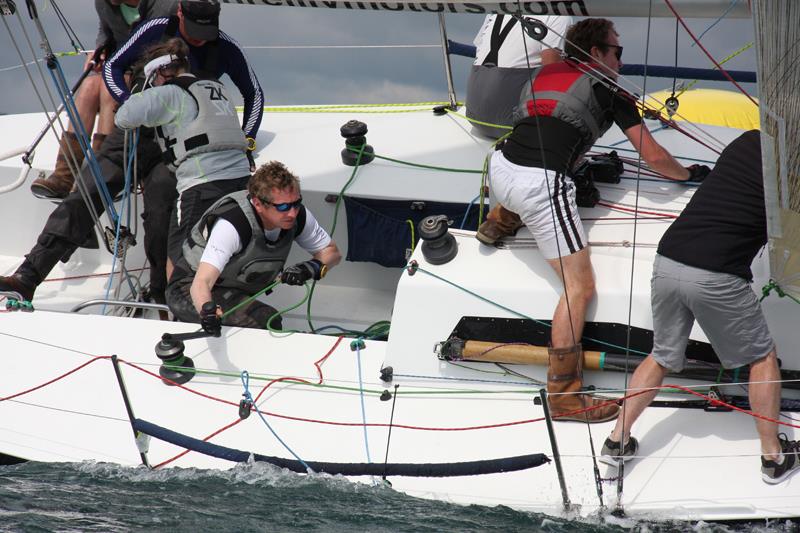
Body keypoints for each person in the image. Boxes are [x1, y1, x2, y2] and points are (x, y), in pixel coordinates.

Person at [487, 18, 709, 422]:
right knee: (579, 287)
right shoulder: (609, 92)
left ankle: (501, 216)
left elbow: (554, 52)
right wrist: (690, 175)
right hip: (540, 186)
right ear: (596, 55)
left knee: (562, 167)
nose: (622, 61)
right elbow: (656, 157)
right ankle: (565, 397)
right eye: (617, 51)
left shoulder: (548, 69)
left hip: (500, 168)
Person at [0, 0, 262, 307]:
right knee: (87, 193)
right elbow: (113, 66)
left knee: (161, 212)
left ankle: (163, 296)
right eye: (193, 32)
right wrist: (129, 101)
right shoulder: (155, 28)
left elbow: (254, 93)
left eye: (206, 33)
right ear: (179, 13)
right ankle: (28, 277)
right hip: (135, 134)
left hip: (179, 148)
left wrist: (248, 141)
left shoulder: (225, 46)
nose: (200, 40)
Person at [600, 130, 800, 484]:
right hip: (715, 275)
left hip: (668, 258)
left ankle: (617, 441)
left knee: (661, 355)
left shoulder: (746, 140)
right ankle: (774, 458)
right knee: (762, 357)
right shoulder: (792, 170)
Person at [114, 38, 252, 270]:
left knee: (180, 259)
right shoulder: (216, 87)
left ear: (160, 73)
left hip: (202, 185)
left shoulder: (170, 93)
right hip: (241, 181)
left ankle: (180, 302)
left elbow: (124, 118)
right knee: (225, 251)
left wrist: (140, 91)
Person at [166, 161, 342, 333]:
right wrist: (207, 312)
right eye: (282, 206)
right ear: (258, 204)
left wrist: (309, 268)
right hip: (188, 290)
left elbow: (332, 253)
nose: (292, 212)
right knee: (268, 319)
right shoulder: (232, 226)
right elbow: (201, 283)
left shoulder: (298, 215)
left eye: (296, 203)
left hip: (232, 289)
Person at [30, 0, 178, 199]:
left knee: (107, 88)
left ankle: (103, 175)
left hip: (147, 70)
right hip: (118, 64)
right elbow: (105, 30)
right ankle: (64, 176)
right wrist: (100, 49)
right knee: (90, 86)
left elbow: (158, 47)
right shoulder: (104, 4)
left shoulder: (163, 5)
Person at [467, 14, 573, 139]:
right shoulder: (558, 16)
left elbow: (479, 48)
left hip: (474, 116)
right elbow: (552, 71)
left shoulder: (495, 10)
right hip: (516, 124)